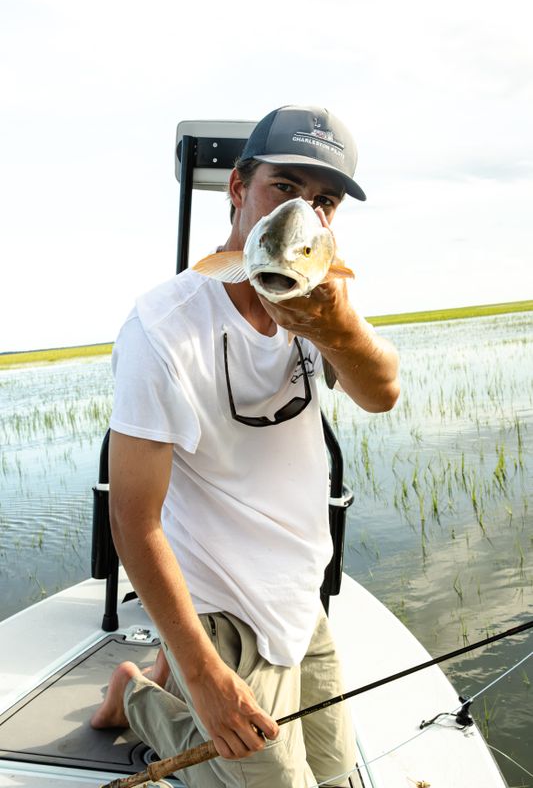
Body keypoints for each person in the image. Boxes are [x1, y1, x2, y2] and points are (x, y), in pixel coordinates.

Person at [91, 105, 400, 787]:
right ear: (238, 187)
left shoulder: (324, 297)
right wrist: (203, 676)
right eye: (283, 189)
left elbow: (380, 394)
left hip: (299, 592)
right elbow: (133, 520)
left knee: (333, 771)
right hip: (222, 600)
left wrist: (337, 330)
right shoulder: (161, 328)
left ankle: (147, 690)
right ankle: (138, 696)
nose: (304, 215)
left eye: (323, 201)